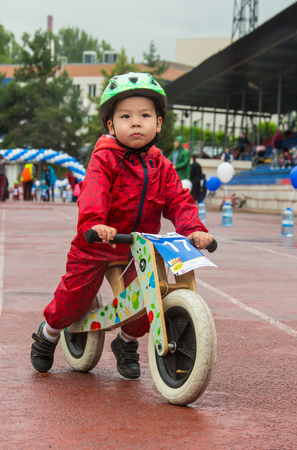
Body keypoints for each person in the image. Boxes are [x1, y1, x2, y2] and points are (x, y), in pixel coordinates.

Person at [30, 72, 213, 378]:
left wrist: (193, 228)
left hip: (137, 245)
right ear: (112, 125)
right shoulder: (105, 159)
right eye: (126, 116)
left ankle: (126, 342)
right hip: (97, 243)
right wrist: (96, 223)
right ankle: (47, 335)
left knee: (149, 296)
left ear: (159, 123)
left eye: (145, 115)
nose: (136, 122)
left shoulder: (161, 166)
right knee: (74, 300)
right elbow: (94, 192)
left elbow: (179, 200)